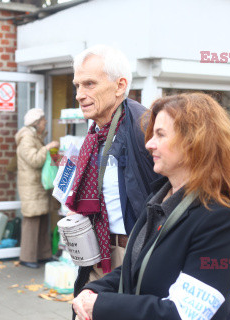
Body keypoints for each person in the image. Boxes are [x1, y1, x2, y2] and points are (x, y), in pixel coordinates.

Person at [72, 93, 230, 320]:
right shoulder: (159, 199)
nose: (149, 144)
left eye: (160, 134)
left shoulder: (218, 220)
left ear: (194, 143)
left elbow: (183, 314)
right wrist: (93, 290)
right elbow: (134, 268)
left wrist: (102, 306)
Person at [67, 45, 160, 297]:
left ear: (120, 86)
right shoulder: (95, 133)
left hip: (132, 252)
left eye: (89, 84)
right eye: (77, 85)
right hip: (97, 251)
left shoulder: (145, 126)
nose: (79, 94)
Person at [15, 108, 59, 269]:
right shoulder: (27, 138)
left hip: (36, 186)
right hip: (31, 186)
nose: (45, 122)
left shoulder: (33, 136)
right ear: (36, 123)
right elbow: (34, 160)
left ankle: (43, 255)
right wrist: (47, 148)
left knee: (41, 219)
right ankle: (27, 257)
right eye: (43, 120)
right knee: (32, 221)